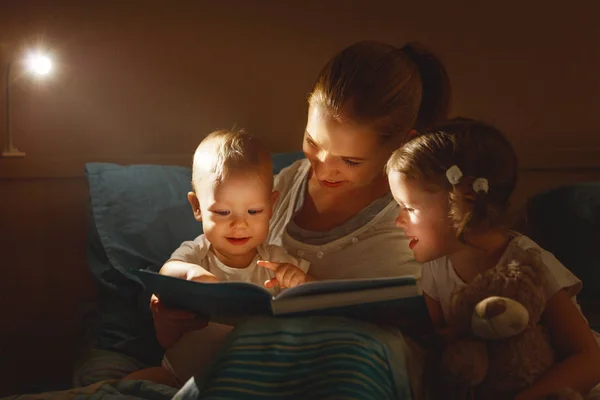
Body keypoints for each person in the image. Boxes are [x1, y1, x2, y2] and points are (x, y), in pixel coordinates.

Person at [168, 40, 451, 398]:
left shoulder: (417, 215)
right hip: (264, 361)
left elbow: (442, 325)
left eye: (350, 160)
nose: (324, 168)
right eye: (313, 143)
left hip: (357, 369)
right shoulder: (282, 187)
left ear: (399, 145)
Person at [386, 117, 600, 399]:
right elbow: (444, 342)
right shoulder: (436, 269)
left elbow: (588, 359)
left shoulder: (526, 264)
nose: (397, 221)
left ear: (459, 202)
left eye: (409, 208)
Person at [124, 129, 311, 386]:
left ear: (272, 206)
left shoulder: (275, 260)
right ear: (197, 207)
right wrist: (190, 275)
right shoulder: (196, 253)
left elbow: (319, 296)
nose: (239, 224)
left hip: (248, 380)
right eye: (223, 212)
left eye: (254, 211)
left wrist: (299, 280)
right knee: (129, 385)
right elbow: (169, 270)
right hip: (180, 373)